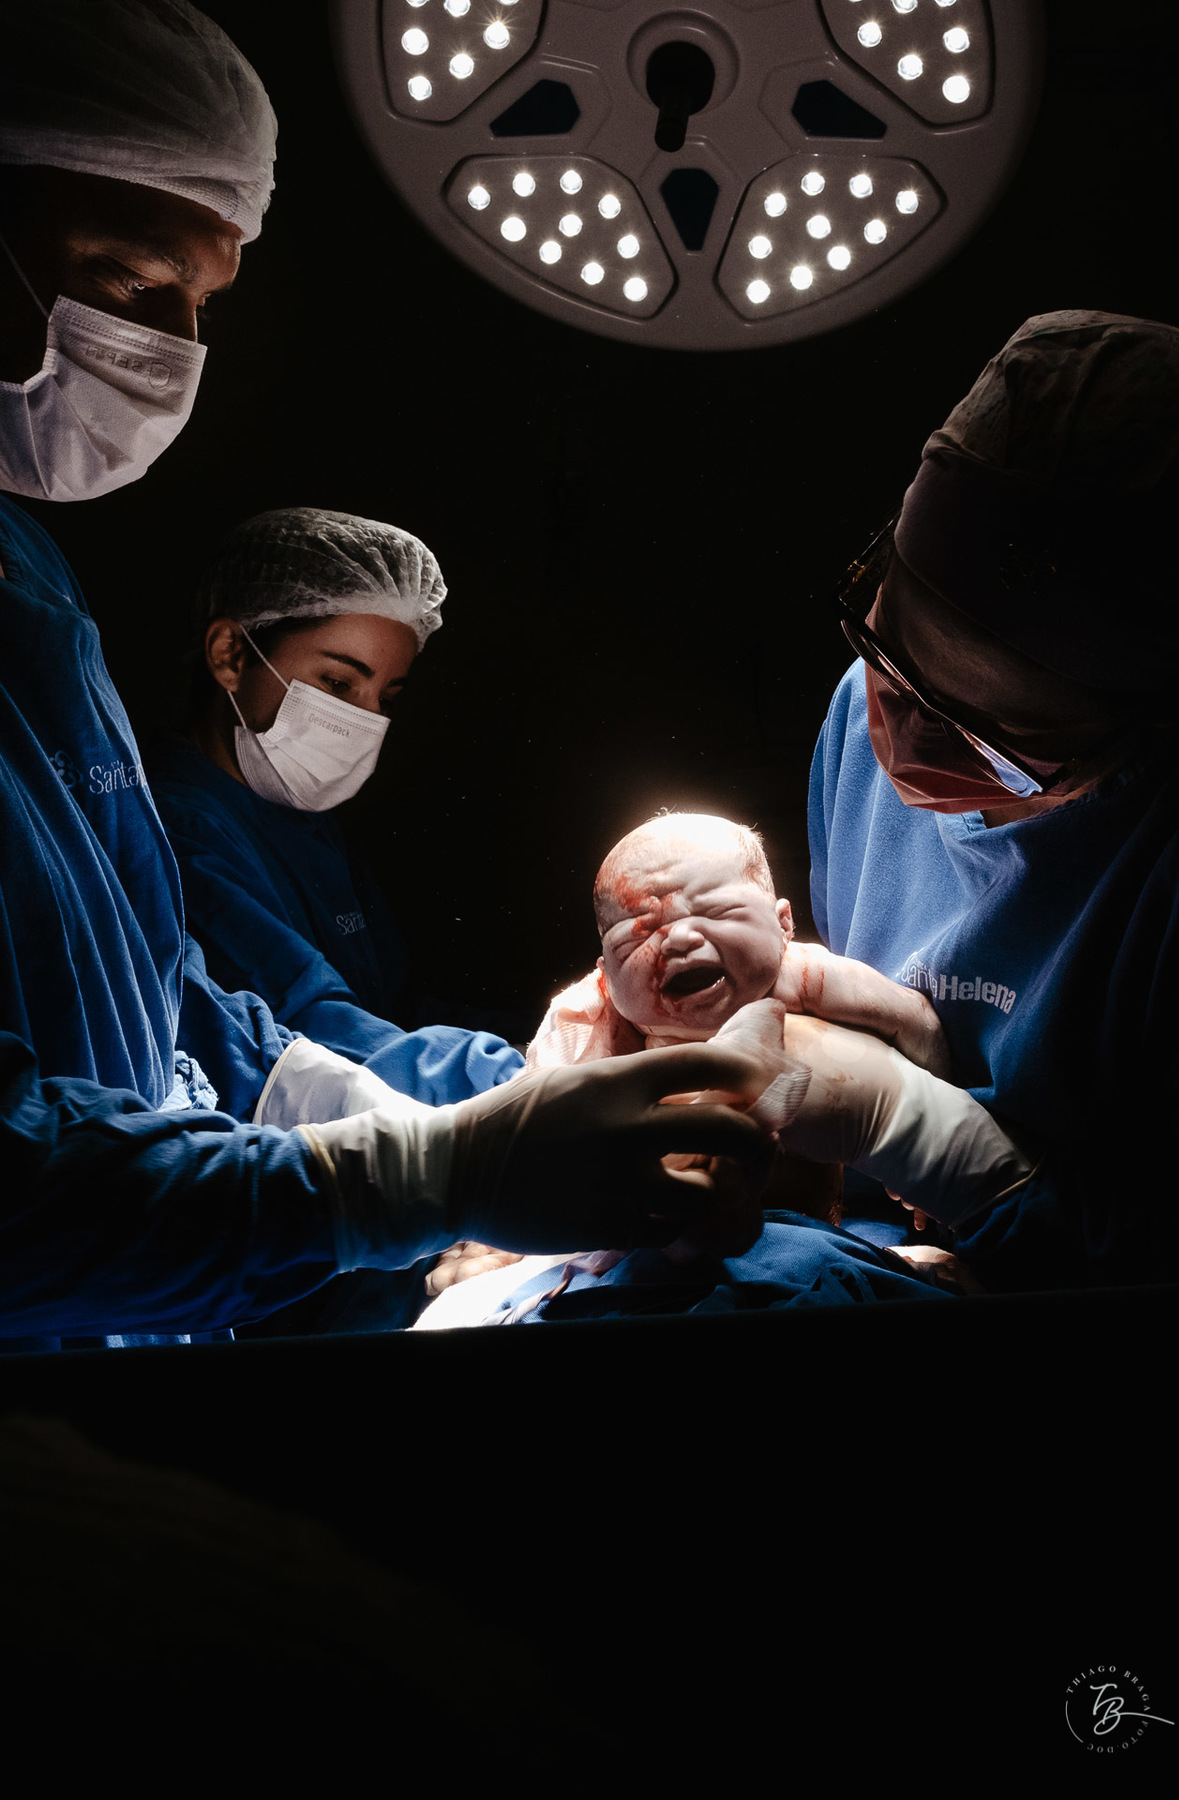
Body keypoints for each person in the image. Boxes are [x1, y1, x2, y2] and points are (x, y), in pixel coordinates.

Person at [0, 0, 783, 1351]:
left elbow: (166, 1000)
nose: (175, 349)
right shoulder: (200, 814)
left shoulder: (26, 581)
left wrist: (491, 1107)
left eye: (203, 305)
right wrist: (435, 1174)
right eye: (130, 279)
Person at [793, 311, 1179, 1289]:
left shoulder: (1174, 858)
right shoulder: (854, 720)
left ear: (1145, 732)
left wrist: (948, 1150)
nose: (902, 749)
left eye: (993, 744)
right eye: (889, 659)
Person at [417, 814, 967, 1326]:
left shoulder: (808, 980)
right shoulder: (590, 1019)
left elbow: (917, 1023)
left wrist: (926, 1158)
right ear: (605, 972)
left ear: (783, 925)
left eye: (717, 912)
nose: (679, 938)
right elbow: (533, 1141)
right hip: (642, 1240)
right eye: (638, 932)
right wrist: (504, 1236)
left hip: (806, 1227)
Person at [148, 506, 526, 1107]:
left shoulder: (301, 822)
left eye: (386, 697)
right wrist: (521, 1081)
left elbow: (387, 1010)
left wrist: (555, 1036)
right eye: (338, 684)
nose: (365, 720)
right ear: (231, 655)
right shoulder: (177, 832)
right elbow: (317, 1029)